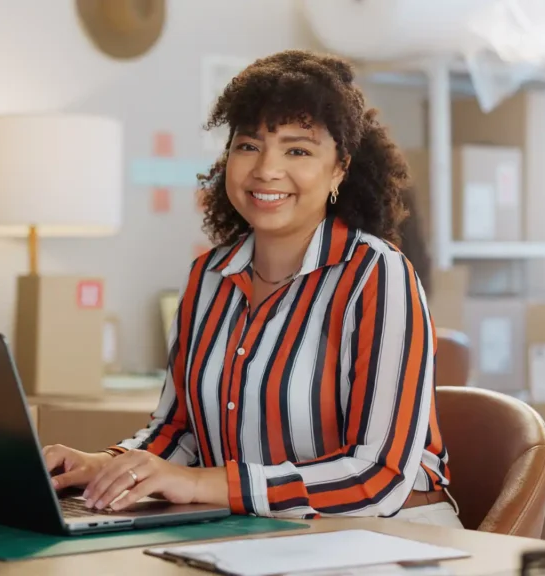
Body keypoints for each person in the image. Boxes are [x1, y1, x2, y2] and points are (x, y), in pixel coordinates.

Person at [43, 50, 460, 527]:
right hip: (263, 529)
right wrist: (111, 466)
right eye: (248, 145)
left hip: (390, 537)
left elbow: (378, 478)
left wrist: (204, 483)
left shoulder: (377, 275)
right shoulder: (208, 276)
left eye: (297, 150)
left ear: (339, 169)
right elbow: (180, 431)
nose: (266, 169)